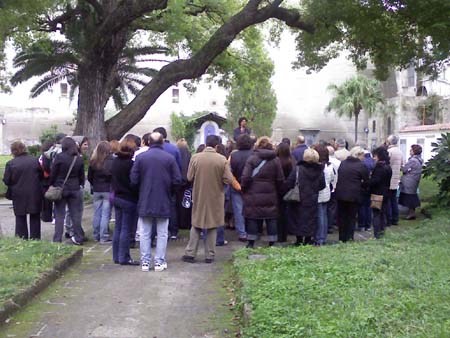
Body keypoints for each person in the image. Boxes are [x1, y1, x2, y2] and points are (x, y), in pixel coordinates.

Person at [131, 132, 181, 272]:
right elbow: (177, 179)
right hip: (163, 199)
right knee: (162, 233)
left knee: (145, 232)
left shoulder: (140, 157)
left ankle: (145, 262)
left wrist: (141, 192)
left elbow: (133, 180)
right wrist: (170, 192)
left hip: (145, 198)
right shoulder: (169, 158)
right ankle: (159, 261)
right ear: (162, 142)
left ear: (148, 141)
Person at [182, 135, 233, 263]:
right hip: (216, 196)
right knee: (212, 225)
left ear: (205, 144)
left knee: (196, 223)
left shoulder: (195, 157)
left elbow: (189, 177)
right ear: (217, 146)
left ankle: (190, 253)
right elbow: (228, 179)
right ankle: (209, 255)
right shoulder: (222, 159)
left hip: (199, 194)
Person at [239, 137, 285, 248]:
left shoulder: (252, 159)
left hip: (253, 193)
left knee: (253, 217)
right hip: (270, 193)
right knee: (271, 217)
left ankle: (251, 242)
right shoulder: (276, 160)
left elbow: (245, 177)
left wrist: (244, 189)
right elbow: (280, 178)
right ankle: (272, 242)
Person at [3, 141, 43, 240]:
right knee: (35, 216)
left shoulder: (11, 163)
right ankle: (35, 239)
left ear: (13, 151)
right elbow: (41, 176)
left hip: (18, 193)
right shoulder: (35, 161)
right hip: (34, 192)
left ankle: (22, 239)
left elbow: (7, 180)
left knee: (20, 217)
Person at [285, 148, 325, 245]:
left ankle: (298, 240)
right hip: (312, 198)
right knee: (310, 219)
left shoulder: (298, 168)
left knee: (297, 218)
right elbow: (322, 185)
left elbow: (290, 182)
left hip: (299, 197)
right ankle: (308, 239)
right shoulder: (319, 170)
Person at [50, 137, 85, 244]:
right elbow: (81, 175)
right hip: (74, 188)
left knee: (59, 215)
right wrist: (80, 184)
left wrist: (52, 184)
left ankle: (57, 239)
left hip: (61, 188)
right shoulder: (78, 158)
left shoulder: (59, 157)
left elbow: (53, 173)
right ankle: (78, 237)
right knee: (75, 215)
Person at [111, 137, 140, 265]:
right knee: (126, 229)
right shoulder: (131, 164)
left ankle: (116, 256)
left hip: (116, 197)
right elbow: (134, 182)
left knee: (118, 227)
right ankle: (124, 257)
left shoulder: (115, 162)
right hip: (128, 199)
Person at [335, 146, 369, 242]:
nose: (364, 158)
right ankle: (349, 236)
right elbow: (366, 181)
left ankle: (342, 237)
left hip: (341, 193)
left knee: (342, 217)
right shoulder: (361, 166)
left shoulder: (343, 163)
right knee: (351, 217)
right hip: (354, 194)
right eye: (363, 155)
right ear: (358, 155)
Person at [153, 127, 181, 239]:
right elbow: (179, 167)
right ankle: (173, 231)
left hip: (155, 182)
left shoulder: (152, 150)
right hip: (170, 183)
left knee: (155, 207)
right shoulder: (174, 149)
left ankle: (155, 232)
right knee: (172, 206)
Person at [88, 141, 113, 243]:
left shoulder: (93, 162)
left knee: (97, 213)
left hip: (97, 189)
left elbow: (89, 177)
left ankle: (96, 234)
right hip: (107, 189)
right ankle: (104, 236)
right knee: (105, 214)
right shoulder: (111, 161)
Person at [229, 134, 253, 241]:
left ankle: (242, 233)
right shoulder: (254, 155)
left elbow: (229, 172)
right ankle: (252, 230)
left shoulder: (234, 156)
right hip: (252, 186)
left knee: (238, 210)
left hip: (237, 186)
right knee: (251, 208)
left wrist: (236, 184)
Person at [313, 144, 336, 245]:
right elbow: (332, 179)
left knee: (319, 216)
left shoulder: (318, 167)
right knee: (324, 215)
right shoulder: (330, 166)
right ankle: (323, 236)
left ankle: (319, 238)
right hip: (326, 192)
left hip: (319, 193)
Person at [369, 147, 392, 239]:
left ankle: (377, 234)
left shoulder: (379, 168)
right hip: (386, 193)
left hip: (377, 194)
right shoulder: (388, 167)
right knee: (382, 213)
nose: (373, 158)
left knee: (376, 214)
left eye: (374, 156)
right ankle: (382, 232)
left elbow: (375, 181)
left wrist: (366, 182)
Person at [275, 142, 296, 242]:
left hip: (278, 189)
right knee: (287, 213)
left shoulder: (277, 161)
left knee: (279, 214)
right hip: (288, 189)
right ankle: (285, 234)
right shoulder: (291, 161)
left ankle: (279, 236)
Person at [399, 144, 423, 220]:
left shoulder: (413, 160)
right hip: (414, 180)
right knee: (412, 195)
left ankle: (411, 213)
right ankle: (411, 212)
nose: (410, 151)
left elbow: (404, 169)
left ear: (414, 151)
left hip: (409, 180)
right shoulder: (419, 160)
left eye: (411, 150)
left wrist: (400, 165)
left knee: (409, 197)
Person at [386, 135, 403, 226]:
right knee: (394, 200)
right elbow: (402, 164)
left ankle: (389, 219)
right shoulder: (400, 151)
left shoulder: (389, 152)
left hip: (389, 179)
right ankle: (395, 219)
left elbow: (387, 163)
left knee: (388, 200)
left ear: (389, 142)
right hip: (396, 178)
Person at [175, 138, 192, 230]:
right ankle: (186, 222)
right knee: (187, 202)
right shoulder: (188, 154)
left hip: (177, 182)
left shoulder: (176, 153)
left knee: (177, 202)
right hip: (187, 183)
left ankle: (178, 222)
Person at [357, 149, 375, 231]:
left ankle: (361, 225)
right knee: (369, 206)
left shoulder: (362, 163)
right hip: (370, 186)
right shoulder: (373, 162)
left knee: (362, 206)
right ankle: (368, 225)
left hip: (362, 187)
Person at [39, 140, 55, 222]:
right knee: (47, 200)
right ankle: (47, 216)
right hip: (47, 180)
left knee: (44, 200)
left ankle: (44, 215)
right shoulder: (47, 156)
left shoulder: (41, 156)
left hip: (42, 180)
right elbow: (47, 167)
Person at [326, 145, 340, 232]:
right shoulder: (338, 162)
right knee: (332, 207)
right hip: (335, 186)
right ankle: (330, 224)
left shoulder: (325, 162)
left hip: (327, 186)